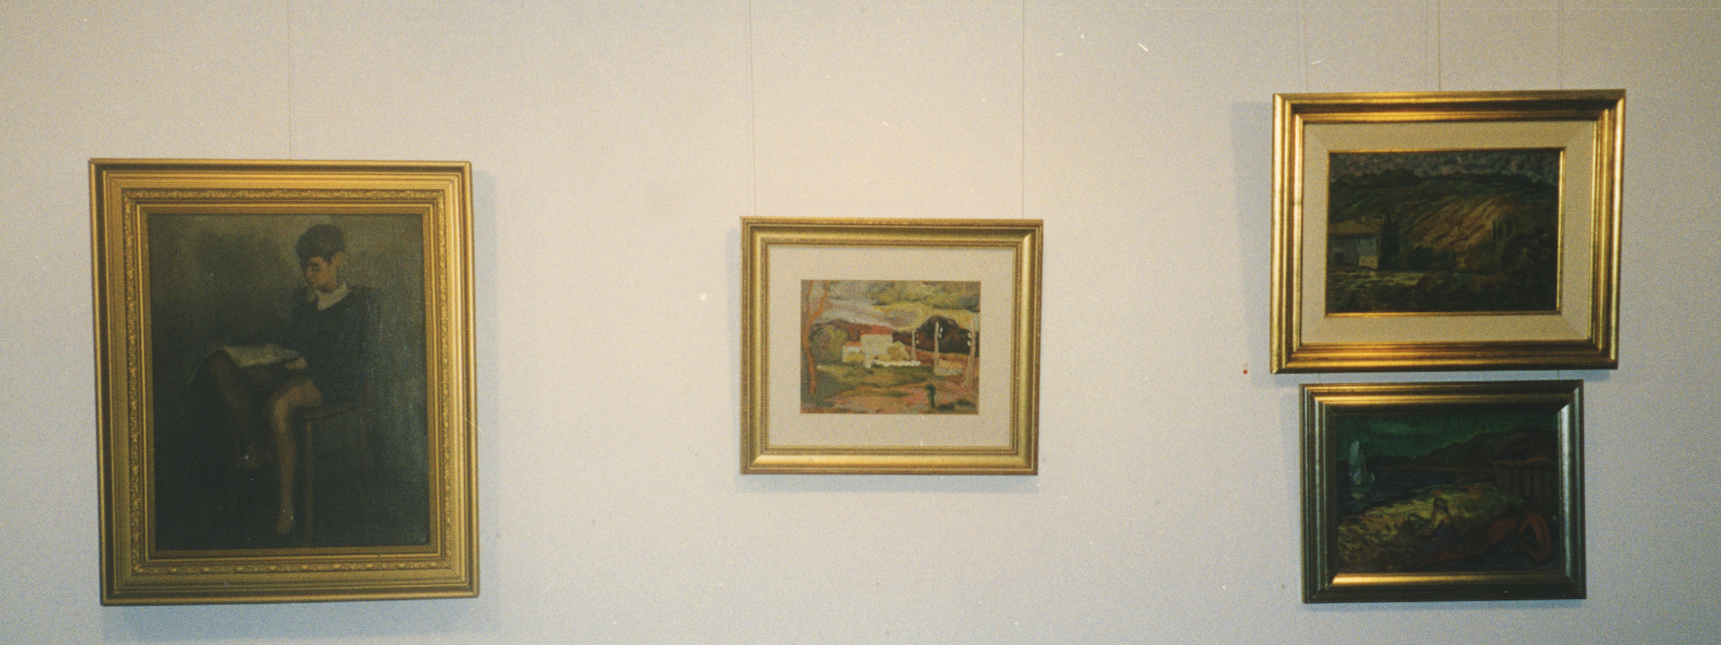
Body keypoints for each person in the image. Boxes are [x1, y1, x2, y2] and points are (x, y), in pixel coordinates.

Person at [204, 223, 371, 536]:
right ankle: (255, 443)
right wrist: (274, 354)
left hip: (332, 382)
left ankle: (286, 506)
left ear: (337, 260)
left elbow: (351, 362)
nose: (308, 276)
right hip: (296, 371)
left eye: (315, 267)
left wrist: (308, 361)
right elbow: (291, 341)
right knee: (221, 363)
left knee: (278, 406)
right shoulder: (304, 302)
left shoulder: (355, 307)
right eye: (304, 268)